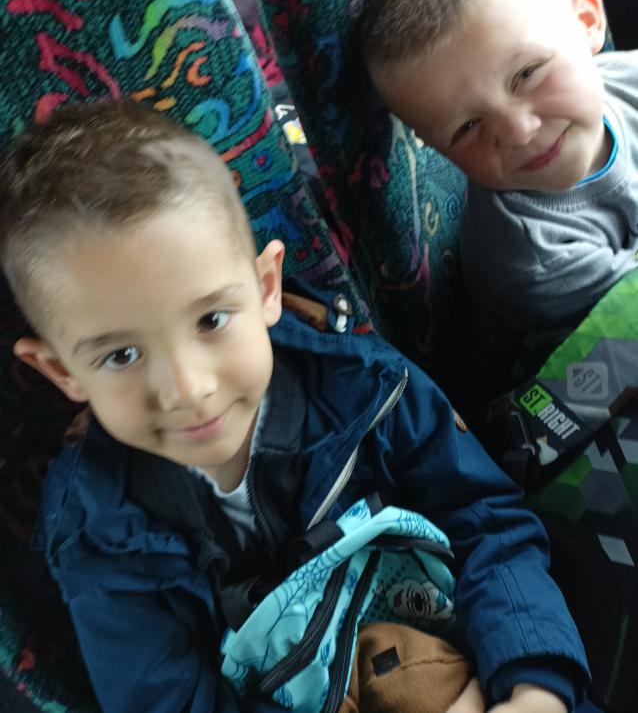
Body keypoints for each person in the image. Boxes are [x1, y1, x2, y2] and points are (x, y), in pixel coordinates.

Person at [0, 100, 593, 713]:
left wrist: (532, 684)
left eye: (211, 319)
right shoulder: (96, 531)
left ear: (266, 288)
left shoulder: (366, 387)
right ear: (61, 370)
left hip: (482, 651)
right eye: (122, 355)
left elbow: (486, 523)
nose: (188, 389)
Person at [359, 0, 638, 385]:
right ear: (438, 149)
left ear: (587, 22)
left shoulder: (627, 79)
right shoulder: (528, 258)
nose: (519, 132)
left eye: (527, 74)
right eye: (468, 127)